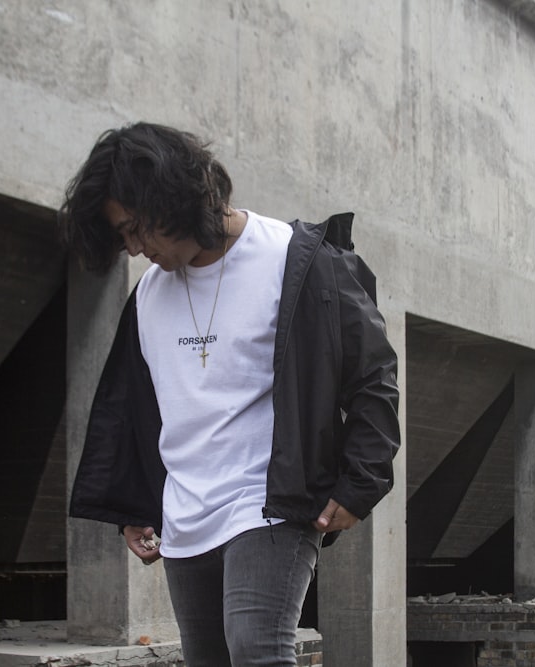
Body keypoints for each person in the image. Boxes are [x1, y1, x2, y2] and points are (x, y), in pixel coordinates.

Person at [59, 121, 400, 666]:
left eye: (137, 228)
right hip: (187, 512)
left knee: (257, 649)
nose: (134, 248)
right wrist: (133, 507)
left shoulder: (298, 260)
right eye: (122, 236)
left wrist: (361, 482)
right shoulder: (147, 296)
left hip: (269, 500)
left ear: (174, 197)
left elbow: (373, 373)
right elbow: (133, 412)